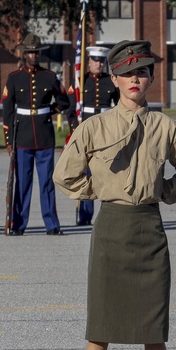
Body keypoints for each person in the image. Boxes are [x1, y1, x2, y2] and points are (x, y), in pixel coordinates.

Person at [54, 40, 176, 350]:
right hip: (112, 229)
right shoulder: (94, 127)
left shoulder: (165, 127)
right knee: (99, 328)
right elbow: (65, 175)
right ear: (114, 78)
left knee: (153, 328)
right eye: (127, 73)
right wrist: (99, 189)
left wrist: (162, 193)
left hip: (149, 230)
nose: (135, 79)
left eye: (143, 72)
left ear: (152, 77)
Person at [1, 33, 70, 235]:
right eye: (30, 52)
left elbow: (64, 102)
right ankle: (18, 224)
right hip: (21, 137)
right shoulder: (14, 78)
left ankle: (52, 224)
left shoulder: (49, 77)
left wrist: (49, 111)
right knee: (22, 183)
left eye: (37, 53)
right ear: (24, 54)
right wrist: (8, 141)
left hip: (44, 136)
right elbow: (7, 112)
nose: (34, 56)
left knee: (47, 182)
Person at [64, 45, 118, 226]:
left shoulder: (111, 81)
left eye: (102, 61)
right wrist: (75, 130)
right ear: (88, 62)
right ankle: (85, 216)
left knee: (107, 173)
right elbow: (71, 110)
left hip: (105, 130)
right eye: (95, 60)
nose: (99, 64)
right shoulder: (80, 81)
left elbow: (119, 106)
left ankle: (108, 213)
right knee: (86, 174)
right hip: (85, 129)